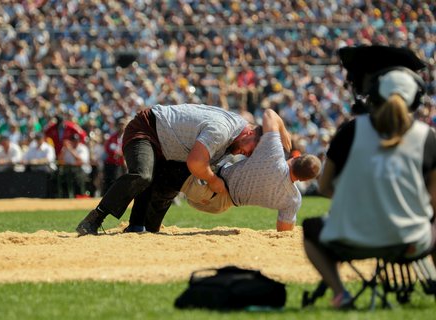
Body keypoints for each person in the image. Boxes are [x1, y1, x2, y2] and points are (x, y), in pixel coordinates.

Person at [302, 46, 436, 309]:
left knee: (311, 228)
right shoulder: (428, 138)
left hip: (352, 240)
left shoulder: (350, 132)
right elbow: (434, 201)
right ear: (416, 99)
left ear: (373, 93)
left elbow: (324, 185)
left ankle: (341, 293)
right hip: (410, 242)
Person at [76, 104, 262, 236]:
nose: (246, 154)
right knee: (143, 174)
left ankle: (138, 226)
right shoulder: (223, 130)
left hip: (168, 148)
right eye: (251, 150)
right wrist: (213, 181)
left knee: (171, 179)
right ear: (250, 133)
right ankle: (95, 218)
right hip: (146, 129)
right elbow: (196, 163)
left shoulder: (234, 139)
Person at [144, 109, 322, 232]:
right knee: (176, 172)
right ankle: (147, 221)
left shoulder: (273, 156)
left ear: (297, 158)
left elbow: (269, 114)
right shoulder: (293, 199)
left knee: (167, 170)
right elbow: (283, 232)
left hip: (213, 190)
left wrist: (283, 130)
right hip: (220, 204)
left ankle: (142, 224)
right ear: (304, 180)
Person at [57, 133, 91, 198]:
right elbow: (60, 160)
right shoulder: (66, 148)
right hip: (68, 169)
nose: (75, 142)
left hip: (81, 170)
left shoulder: (82, 148)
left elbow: (80, 161)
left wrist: (70, 149)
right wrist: (64, 149)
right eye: (73, 140)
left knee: (77, 178)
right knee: (63, 176)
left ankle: (79, 196)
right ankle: (65, 196)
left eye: (76, 140)